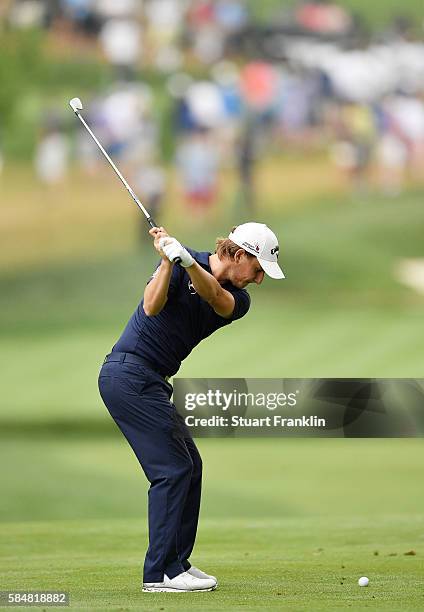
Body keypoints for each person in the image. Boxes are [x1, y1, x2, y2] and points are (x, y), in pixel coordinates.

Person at [98, 222, 285, 593]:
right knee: (171, 469)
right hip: (128, 376)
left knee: (190, 465)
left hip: (151, 381)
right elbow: (152, 307)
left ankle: (176, 563)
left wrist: (184, 262)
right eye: (259, 269)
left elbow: (214, 295)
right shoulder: (182, 261)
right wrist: (168, 259)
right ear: (241, 255)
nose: (259, 279)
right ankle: (160, 574)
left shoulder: (238, 299)